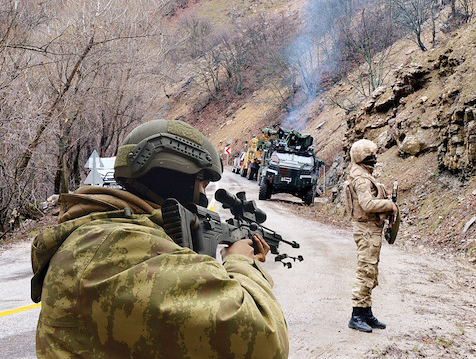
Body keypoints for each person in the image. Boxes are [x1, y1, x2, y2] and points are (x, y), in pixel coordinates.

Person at [31, 119, 289, 358]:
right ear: (176, 174)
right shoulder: (119, 246)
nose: (203, 194)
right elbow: (266, 342)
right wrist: (241, 264)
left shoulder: (105, 231)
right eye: (201, 182)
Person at [345, 139, 398, 333]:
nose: (375, 158)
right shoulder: (361, 179)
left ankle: (366, 312)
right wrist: (388, 205)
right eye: (372, 156)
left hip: (370, 229)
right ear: (364, 157)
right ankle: (356, 315)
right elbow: (367, 204)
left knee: (371, 271)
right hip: (366, 229)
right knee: (365, 271)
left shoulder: (363, 174)